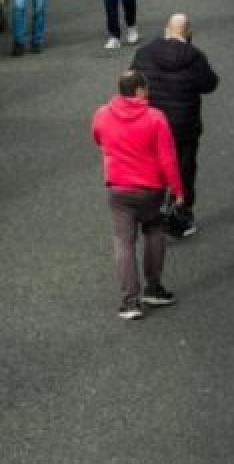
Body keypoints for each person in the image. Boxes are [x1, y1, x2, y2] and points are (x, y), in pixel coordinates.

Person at [91, 70, 184, 320]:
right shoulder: (155, 118)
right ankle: (153, 288)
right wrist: (177, 190)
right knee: (154, 232)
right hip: (150, 190)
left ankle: (130, 301)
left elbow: (98, 138)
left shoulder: (102, 114)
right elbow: (167, 158)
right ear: (140, 90)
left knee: (123, 242)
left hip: (119, 188)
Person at [130, 14, 219, 238]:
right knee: (184, 170)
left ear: (166, 30)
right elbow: (210, 84)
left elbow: (132, 82)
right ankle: (180, 216)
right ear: (188, 33)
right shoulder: (195, 56)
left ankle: (152, 213)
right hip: (183, 125)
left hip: (150, 123)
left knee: (153, 167)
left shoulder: (144, 52)